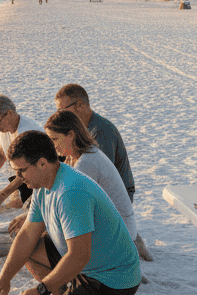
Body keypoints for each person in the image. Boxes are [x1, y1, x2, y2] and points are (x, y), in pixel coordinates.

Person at [0, 131, 151, 295]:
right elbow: (27, 235)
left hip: (113, 280)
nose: (19, 177)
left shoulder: (70, 193)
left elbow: (79, 256)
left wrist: (40, 291)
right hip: (86, 265)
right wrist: (4, 278)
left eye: (21, 170)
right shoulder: (43, 185)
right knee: (30, 250)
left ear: (42, 163)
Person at [43, 109, 154, 261]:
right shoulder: (79, 155)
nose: (52, 145)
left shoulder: (86, 163)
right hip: (119, 228)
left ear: (71, 135)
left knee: (46, 241)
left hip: (119, 236)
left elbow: (70, 206)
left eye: (54, 139)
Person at [54, 83, 136, 200]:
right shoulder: (80, 128)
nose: (60, 116)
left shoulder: (102, 132)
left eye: (62, 110)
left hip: (117, 198)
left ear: (80, 105)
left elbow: (100, 178)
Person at [0, 94, 44, 209]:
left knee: (14, 206)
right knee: (8, 206)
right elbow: (1, 154)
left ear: (10, 113)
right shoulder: (6, 127)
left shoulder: (26, 131)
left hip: (39, 176)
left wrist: (3, 194)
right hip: (22, 175)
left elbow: (29, 168)